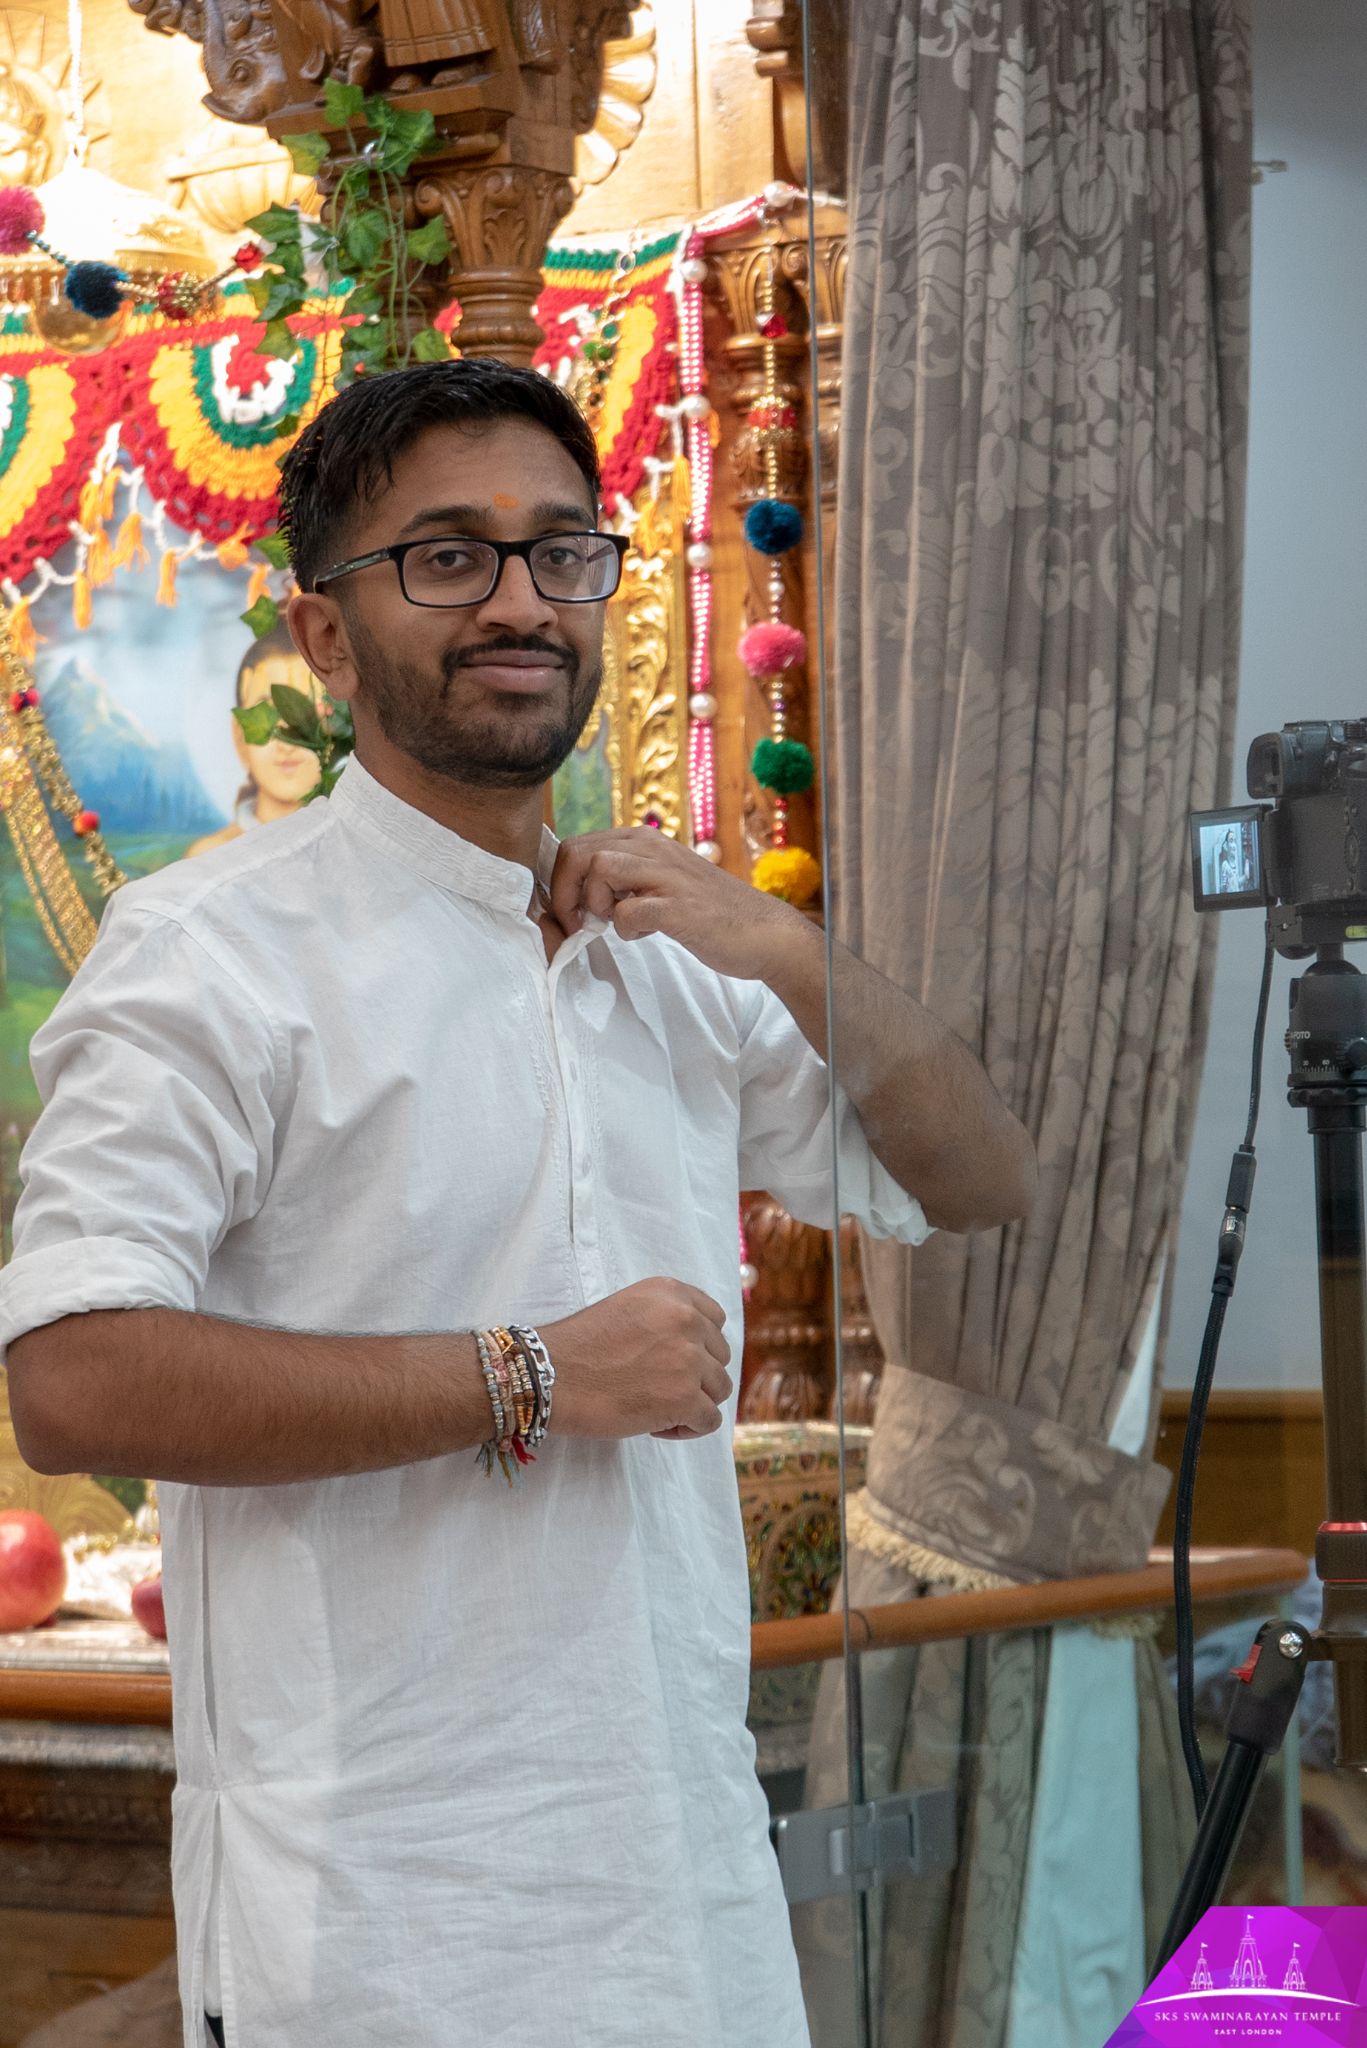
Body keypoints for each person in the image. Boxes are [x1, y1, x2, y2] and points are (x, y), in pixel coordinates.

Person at [0, 360, 1036, 2048]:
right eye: (446, 557)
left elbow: (981, 1177)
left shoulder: (667, 952)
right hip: (380, 1928)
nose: (518, 600)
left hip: (686, 1895)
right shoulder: (208, 955)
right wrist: (534, 1372)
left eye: (561, 551)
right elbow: (75, 1377)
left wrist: (786, 948)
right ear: (326, 636)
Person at [186, 625, 327, 858]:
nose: (286, 743)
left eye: (304, 712)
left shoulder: (353, 847)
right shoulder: (211, 858)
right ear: (239, 734)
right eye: (266, 714)